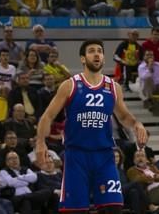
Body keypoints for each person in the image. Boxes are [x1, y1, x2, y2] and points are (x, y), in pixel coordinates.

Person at [35, 39, 148, 213]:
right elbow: (47, 116)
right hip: (76, 156)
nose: (96, 54)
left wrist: (137, 124)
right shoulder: (70, 85)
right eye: (91, 51)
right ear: (82, 58)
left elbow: (124, 116)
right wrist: (41, 143)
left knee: (113, 208)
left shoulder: (113, 87)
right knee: (75, 210)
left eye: (99, 51)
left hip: (104, 156)